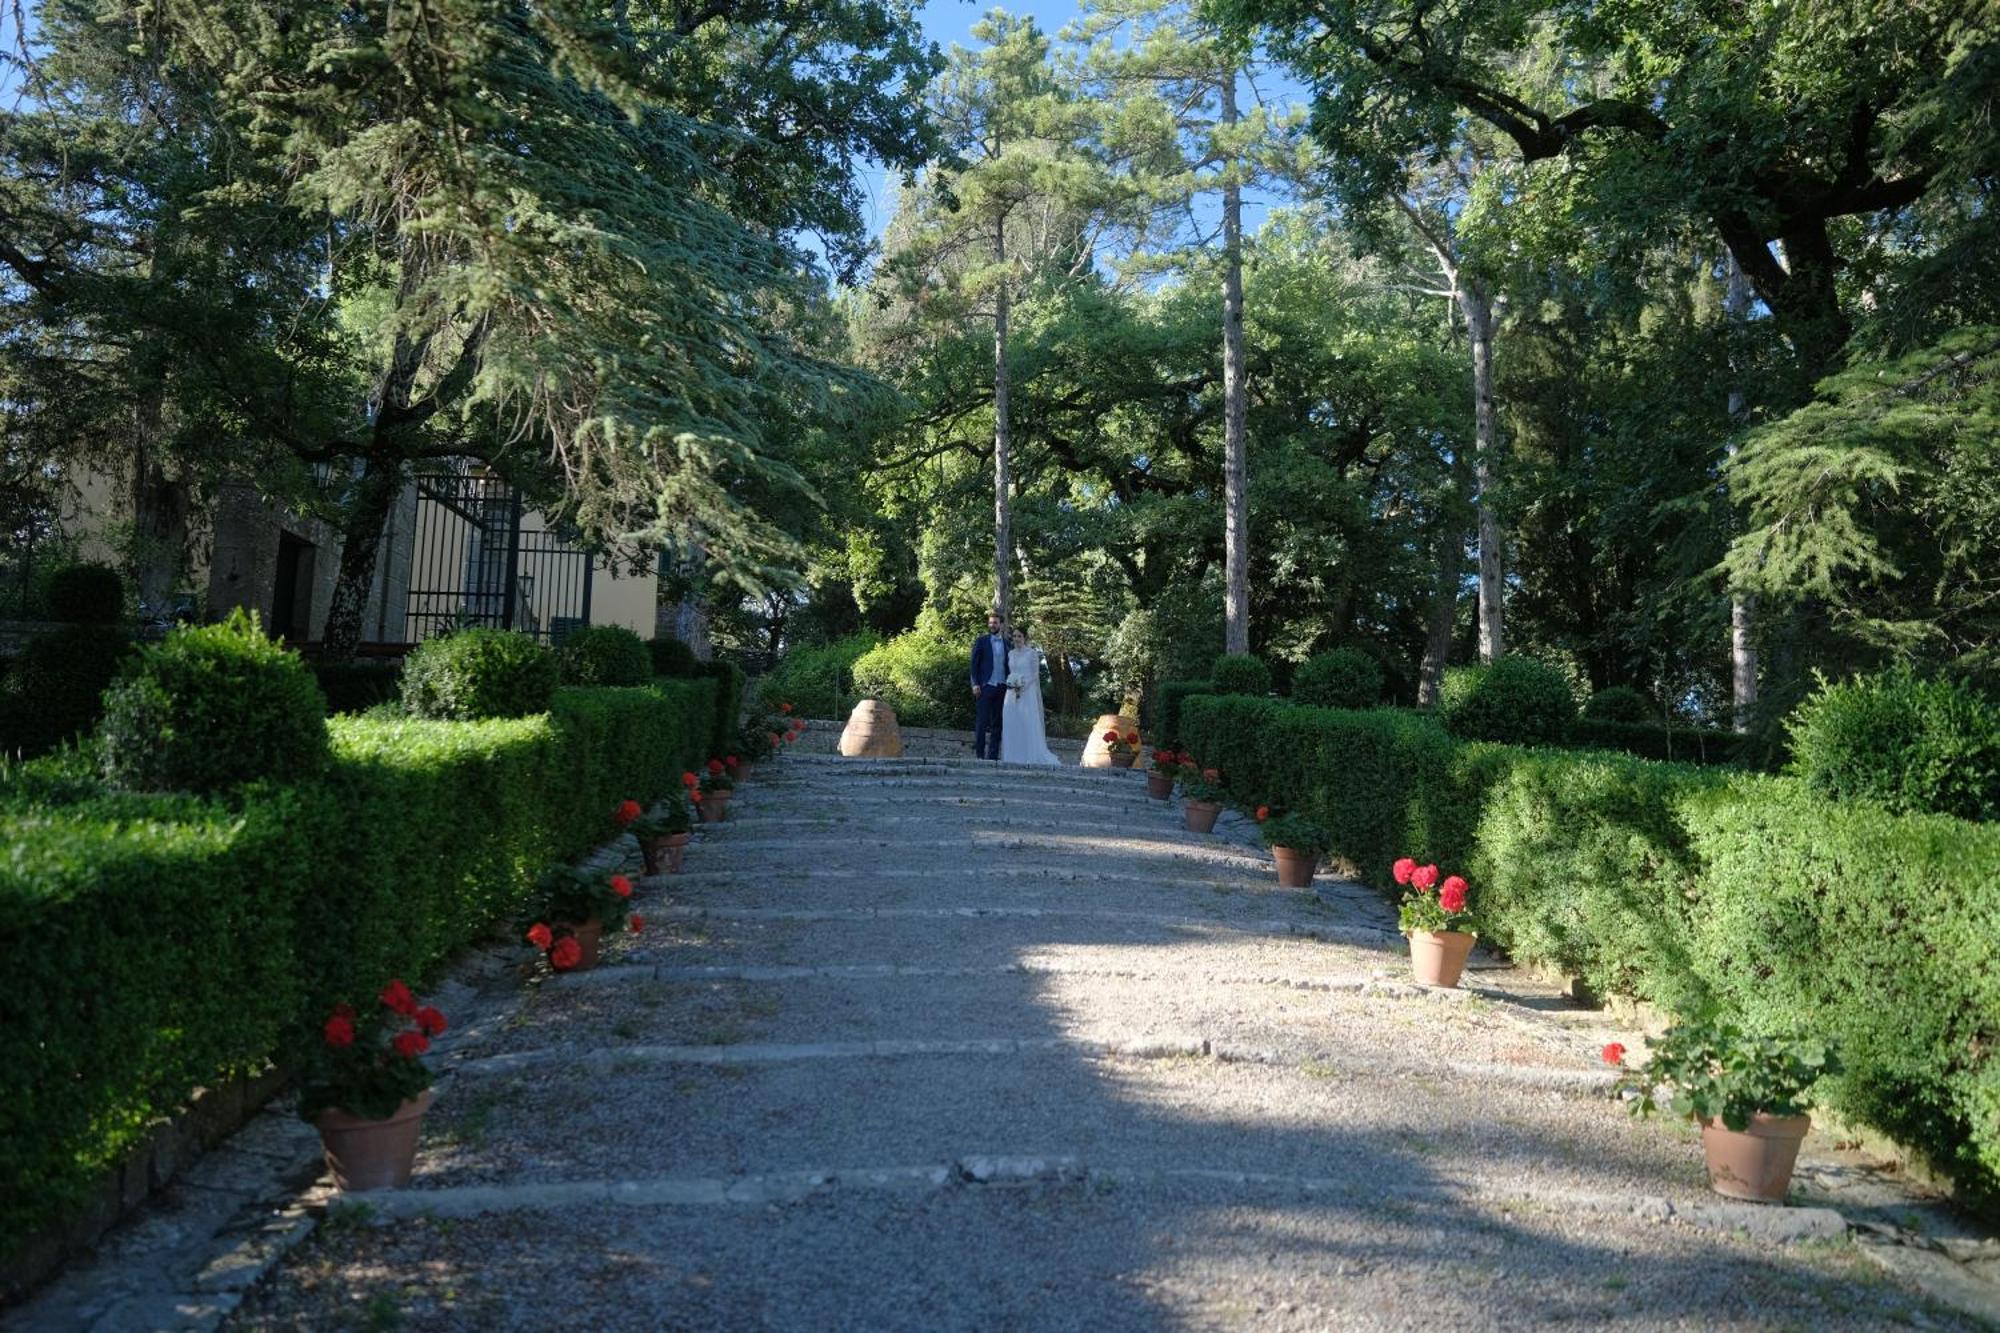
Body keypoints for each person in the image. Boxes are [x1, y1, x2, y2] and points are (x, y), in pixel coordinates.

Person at [1000, 627, 1061, 766]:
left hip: (1027, 692)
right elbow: (1010, 672)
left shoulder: (1032, 653)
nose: (1016, 639)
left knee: (1027, 723)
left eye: (1019, 636)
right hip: (1011, 693)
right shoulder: (1010, 654)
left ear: (1025, 638)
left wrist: (1023, 685)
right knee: (1012, 721)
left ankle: (1029, 756)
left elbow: (1035, 674)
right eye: (1014, 636)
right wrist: (1012, 684)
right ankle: (1013, 757)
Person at [969, 610, 1011, 761]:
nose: (992, 625)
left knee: (997, 724)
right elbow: (974, 665)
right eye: (990, 622)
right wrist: (975, 684)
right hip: (985, 687)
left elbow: (1011, 666)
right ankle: (979, 755)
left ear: (1001, 624)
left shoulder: (1007, 644)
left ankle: (992, 756)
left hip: (1002, 688)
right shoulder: (981, 641)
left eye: (995, 622)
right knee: (982, 722)